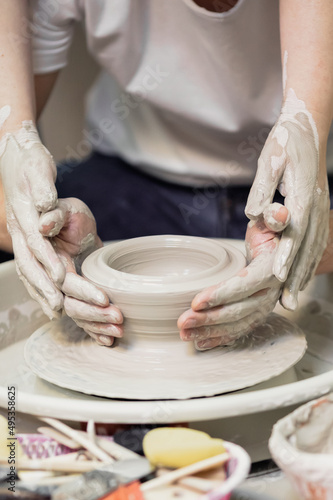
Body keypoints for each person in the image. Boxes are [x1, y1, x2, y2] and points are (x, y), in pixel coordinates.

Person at [0, 0, 332, 350]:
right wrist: (47, 248)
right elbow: (8, 179)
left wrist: (307, 248)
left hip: (301, 194)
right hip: (129, 183)